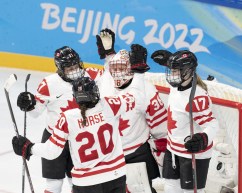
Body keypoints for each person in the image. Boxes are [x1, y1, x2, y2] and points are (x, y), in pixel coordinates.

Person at [12, 53, 148, 193]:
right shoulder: (110, 105)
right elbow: (138, 98)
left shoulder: (68, 118)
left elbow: (51, 151)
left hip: (86, 182)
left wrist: (28, 148)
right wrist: (138, 73)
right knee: (54, 183)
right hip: (116, 176)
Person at [96, 28, 168, 193]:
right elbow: (109, 68)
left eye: (123, 69)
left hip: (137, 154)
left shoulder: (147, 90)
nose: (118, 74)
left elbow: (160, 127)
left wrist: (163, 153)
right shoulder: (105, 80)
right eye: (116, 69)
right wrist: (109, 53)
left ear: (131, 69)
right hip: (109, 156)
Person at [16, 46, 85, 193]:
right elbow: (36, 113)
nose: (74, 70)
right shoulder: (48, 84)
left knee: (78, 183)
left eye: (75, 65)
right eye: (69, 67)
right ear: (60, 68)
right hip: (54, 137)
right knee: (53, 185)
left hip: (80, 138)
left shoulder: (88, 79)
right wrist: (29, 105)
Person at [151, 50, 219, 193]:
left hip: (193, 155)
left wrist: (202, 138)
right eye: (172, 70)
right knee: (170, 188)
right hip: (173, 150)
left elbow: (213, 124)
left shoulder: (197, 97)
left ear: (189, 71)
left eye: (177, 71)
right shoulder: (176, 86)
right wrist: (170, 60)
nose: (172, 75)